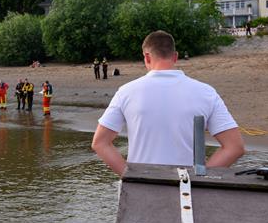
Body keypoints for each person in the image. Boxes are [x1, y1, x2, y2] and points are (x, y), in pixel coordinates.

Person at [91, 30, 244, 176]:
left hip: (141, 187)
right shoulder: (206, 92)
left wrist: (129, 176)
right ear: (175, 56)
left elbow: (100, 143)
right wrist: (200, 179)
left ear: (147, 57)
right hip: (186, 190)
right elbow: (234, 147)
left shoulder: (127, 91)